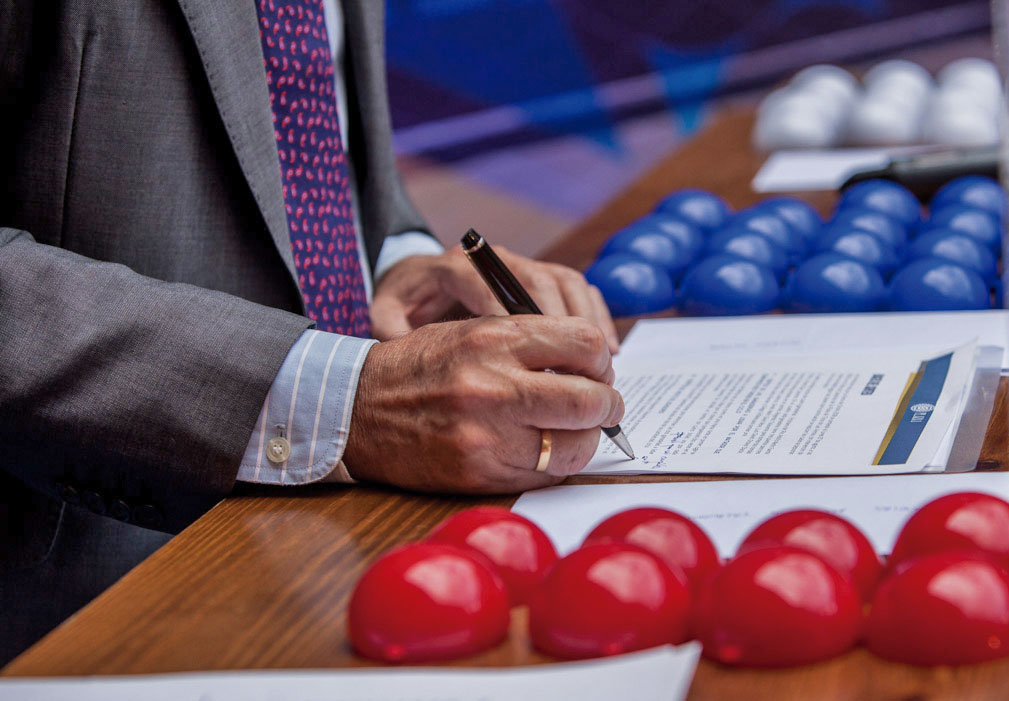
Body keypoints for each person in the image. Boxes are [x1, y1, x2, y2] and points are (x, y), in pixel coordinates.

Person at [0, 0, 624, 663]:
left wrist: (399, 262)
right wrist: (348, 401)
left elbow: (311, 121)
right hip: (99, 606)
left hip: (353, 540)